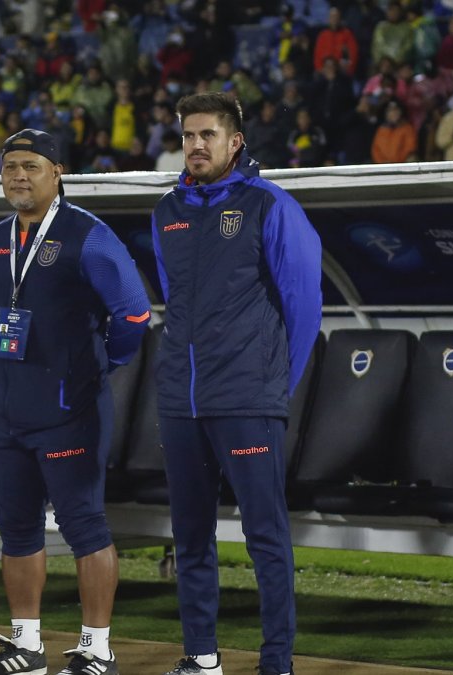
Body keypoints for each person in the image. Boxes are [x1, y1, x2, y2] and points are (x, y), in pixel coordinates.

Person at [0, 129, 150, 675]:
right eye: (10, 167)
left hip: (69, 410)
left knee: (84, 527)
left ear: (58, 171)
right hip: (5, 410)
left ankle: (97, 650)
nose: (18, 176)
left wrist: (99, 366)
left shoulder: (88, 237)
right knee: (17, 528)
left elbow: (135, 317)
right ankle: (25, 646)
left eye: (30, 166)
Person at [153, 92, 321, 675]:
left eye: (208, 135)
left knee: (266, 538)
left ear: (235, 142)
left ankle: (276, 663)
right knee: (190, 537)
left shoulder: (269, 204)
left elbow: (303, 305)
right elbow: (175, 302)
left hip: (248, 400)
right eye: (187, 135)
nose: (196, 145)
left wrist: (274, 384)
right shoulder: (166, 211)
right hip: (181, 402)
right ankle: (201, 657)